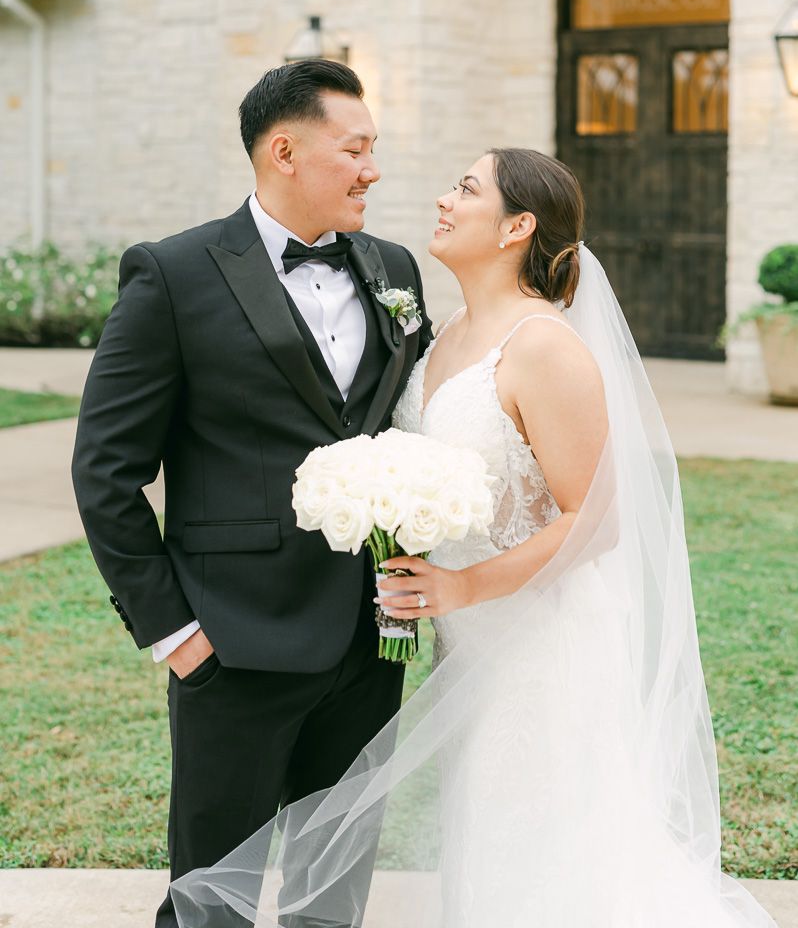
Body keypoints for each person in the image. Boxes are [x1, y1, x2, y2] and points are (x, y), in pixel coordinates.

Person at [171, 146, 777, 928]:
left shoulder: (544, 346)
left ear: (518, 225)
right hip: (471, 648)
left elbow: (595, 520)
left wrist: (461, 586)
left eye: (467, 188)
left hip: (541, 645)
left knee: (545, 845)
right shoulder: (445, 332)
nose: (444, 199)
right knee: (488, 840)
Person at [71, 59, 433, 928]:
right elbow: (106, 469)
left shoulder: (395, 269)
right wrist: (174, 632)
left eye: (373, 150)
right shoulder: (175, 273)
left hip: (369, 639)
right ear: (283, 151)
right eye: (355, 150)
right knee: (212, 900)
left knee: (332, 893)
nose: (372, 170)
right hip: (231, 641)